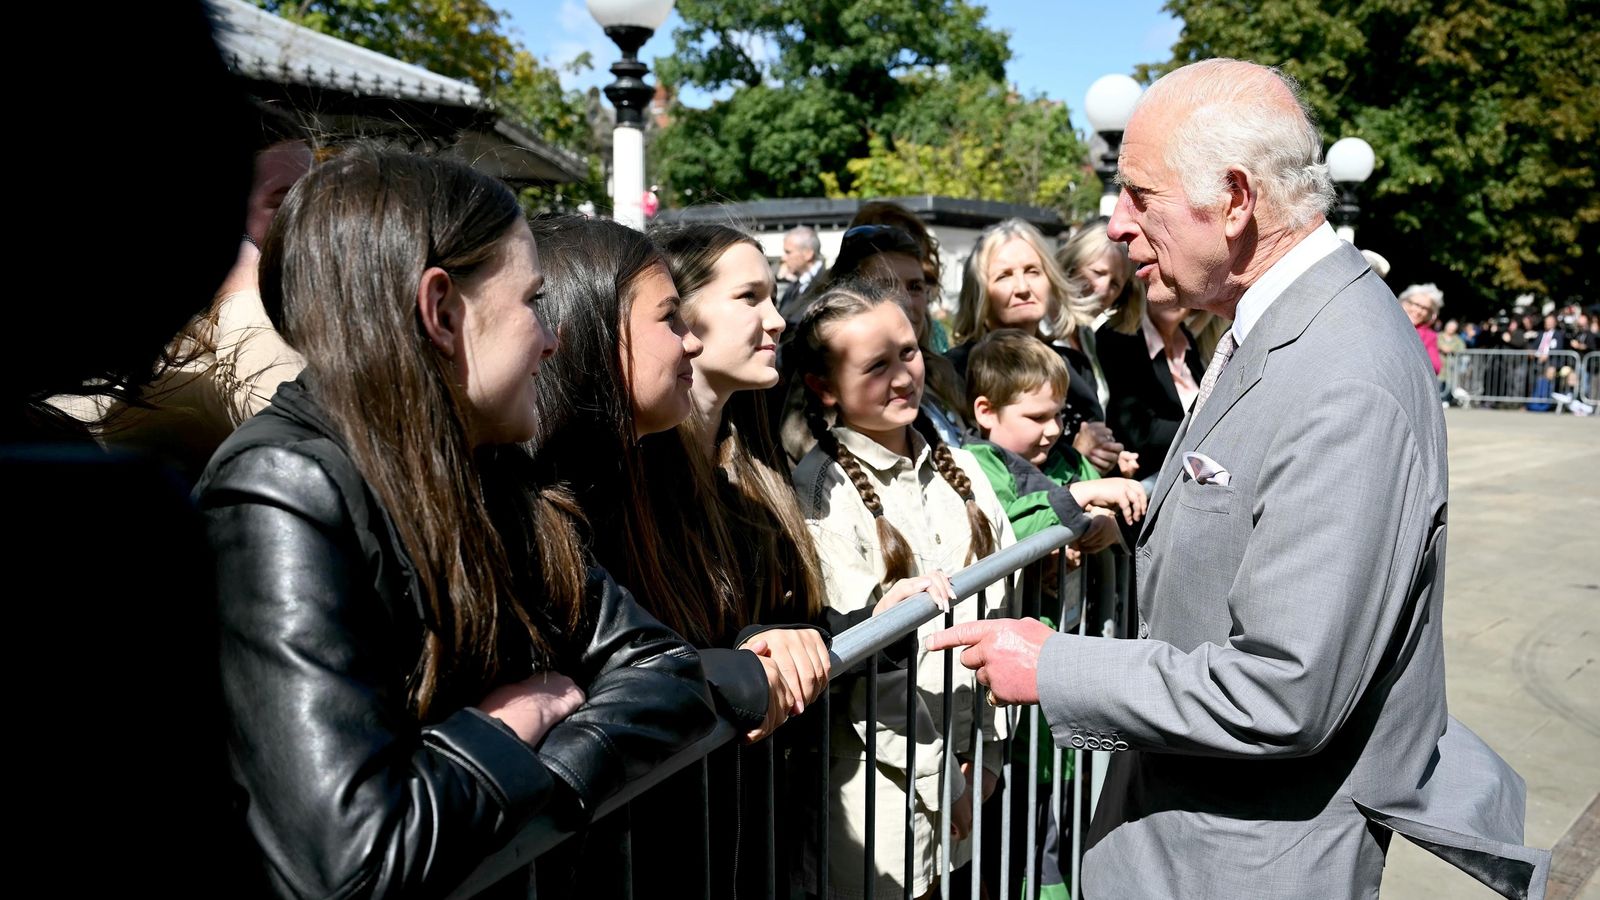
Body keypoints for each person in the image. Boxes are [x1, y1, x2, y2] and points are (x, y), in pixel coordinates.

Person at [928, 58, 1546, 899]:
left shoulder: (1341, 372)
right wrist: (1142, 524)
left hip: (1241, 862)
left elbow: (1285, 688)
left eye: (1139, 196)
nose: (1114, 225)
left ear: (1236, 199)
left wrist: (1056, 667)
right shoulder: (1286, 327)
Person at [200, 150, 718, 898]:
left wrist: (555, 771)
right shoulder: (281, 491)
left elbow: (663, 669)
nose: (552, 339)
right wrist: (512, 721)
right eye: (531, 302)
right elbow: (354, 860)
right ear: (441, 311)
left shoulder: (492, 466)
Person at [530, 218, 826, 897]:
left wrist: (808, 637)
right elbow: (607, 688)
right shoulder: (557, 505)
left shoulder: (691, 468)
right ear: (593, 334)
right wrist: (732, 671)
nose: (689, 340)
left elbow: (708, 638)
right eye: (671, 319)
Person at [787, 278, 1012, 899]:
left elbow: (999, 615)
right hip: (881, 800)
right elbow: (872, 672)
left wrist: (987, 754)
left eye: (908, 353)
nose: (902, 376)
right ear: (824, 387)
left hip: (967, 772)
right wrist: (946, 782)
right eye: (875, 365)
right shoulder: (821, 495)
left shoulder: (961, 467)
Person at [947, 218, 1135, 478]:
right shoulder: (956, 372)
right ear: (979, 291)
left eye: (1033, 271)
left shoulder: (1073, 365)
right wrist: (1076, 457)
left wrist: (1109, 457)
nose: (1023, 288)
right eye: (1004, 276)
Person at [1095, 268, 1209, 482]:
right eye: (1165, 285)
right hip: (1143, 481)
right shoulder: (1119, 339)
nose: (1172, 297)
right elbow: (1139, 432)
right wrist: (1209, 429)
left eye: (1180, 288)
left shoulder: (1188, 341)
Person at [778, 224, 825, 315]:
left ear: (808, 254)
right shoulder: (794, 287)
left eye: (788, 252)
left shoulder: (827, 285)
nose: (783, 258)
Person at [1399, 283, 1444, 374]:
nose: (1418, 311)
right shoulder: (1387, 319)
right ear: (1404, 301)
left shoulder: (1430, 336)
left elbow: (1435, 367)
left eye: (1425, 308)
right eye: (1416, 304)